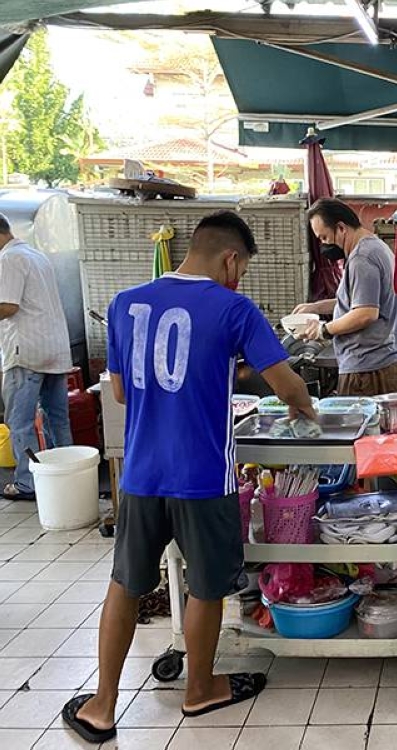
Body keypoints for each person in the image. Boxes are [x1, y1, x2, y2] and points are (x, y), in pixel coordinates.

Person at [63, 211, 317, 745]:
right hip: (203, 476)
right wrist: (308, 411)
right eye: (241, 268)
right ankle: (199, 689)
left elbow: (121, 394)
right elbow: (287, 386)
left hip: (140, 473)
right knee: (205, 586)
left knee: (126, 583)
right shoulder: (234, 307)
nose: (240, 278)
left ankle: (102, 707)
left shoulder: (124, 302)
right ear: (231, 258)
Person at [293, 198, 397, 397]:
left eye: (325, 237)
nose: (324, 245)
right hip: (379, 364)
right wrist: (316, 307)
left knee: (364, 428)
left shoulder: (361, 258)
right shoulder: (376, 248)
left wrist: (323, 330)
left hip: (368, 370)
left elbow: (365, 314)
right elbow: (360, 301)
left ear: (341, 228)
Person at [0, 213, 74, 501]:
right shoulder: (35, 255)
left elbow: (7, 306)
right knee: (57, 419)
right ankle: (66, 473)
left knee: (19, 421)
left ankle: (27, 482)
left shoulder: (8, 260)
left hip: (26, 352)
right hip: (54, 349)